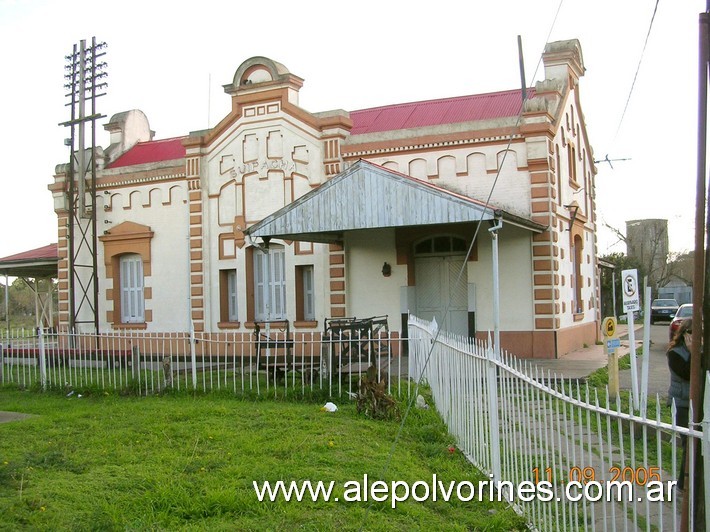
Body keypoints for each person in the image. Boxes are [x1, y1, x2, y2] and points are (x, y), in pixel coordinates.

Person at [667, 318, 692, 490]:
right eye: (692, 333)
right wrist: (692, 351)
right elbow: (688, 373)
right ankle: (683, 484)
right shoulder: (674, 353)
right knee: (689, 444)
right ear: (684, 335)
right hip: (682, 404)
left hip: (699, 402)